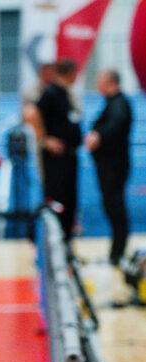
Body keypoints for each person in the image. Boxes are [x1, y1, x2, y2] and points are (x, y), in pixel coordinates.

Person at [85, 69, 133, 265]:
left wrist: (98, 135)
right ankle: (116, 251)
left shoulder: (120, 103)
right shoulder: (112, 102)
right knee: (111, 206)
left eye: (100, 81)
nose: (97, 85)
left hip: (114, 166)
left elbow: (116, 124)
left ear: (109, 82)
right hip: (108, 165)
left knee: (115, 206)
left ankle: (118, 253)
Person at [36, 59, 82, 241]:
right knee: (57, 198)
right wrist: (45, 140)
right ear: (71, 73)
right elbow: (31, 113)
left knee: (70, 200)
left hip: (69, 155)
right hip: (56, 159)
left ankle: (67, 240)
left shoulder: (66, 94)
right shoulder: (50, 93)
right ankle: (55, 241)